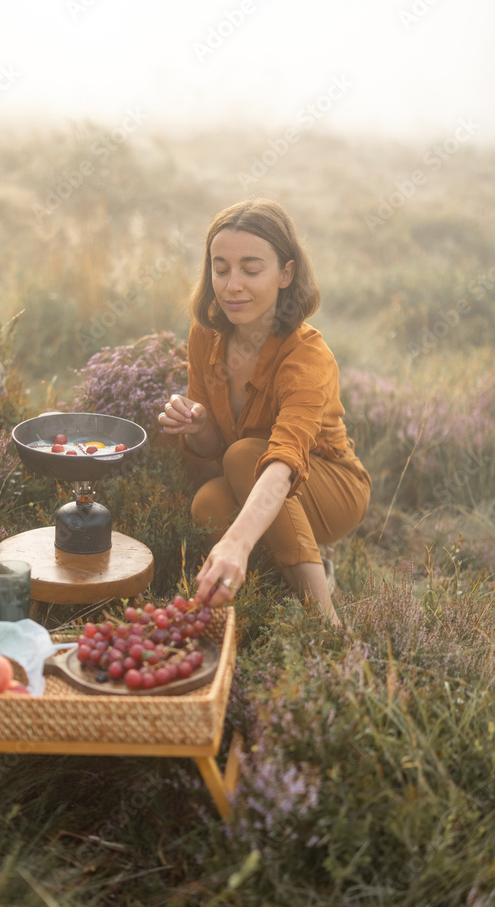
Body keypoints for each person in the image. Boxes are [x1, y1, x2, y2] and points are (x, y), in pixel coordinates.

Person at [157, 198, 371, 626]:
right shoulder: (206, 336)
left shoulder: (307, 355)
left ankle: (328, 625)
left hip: (330, 484)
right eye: (221, 269)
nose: (232, 285)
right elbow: (211, 447)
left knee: (244, 457)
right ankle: (293, 578)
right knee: (208, 504)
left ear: (285, 274)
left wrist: (236, 543)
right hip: (256, 472)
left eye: (251, 270)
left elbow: (282, 461)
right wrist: (196, 425)